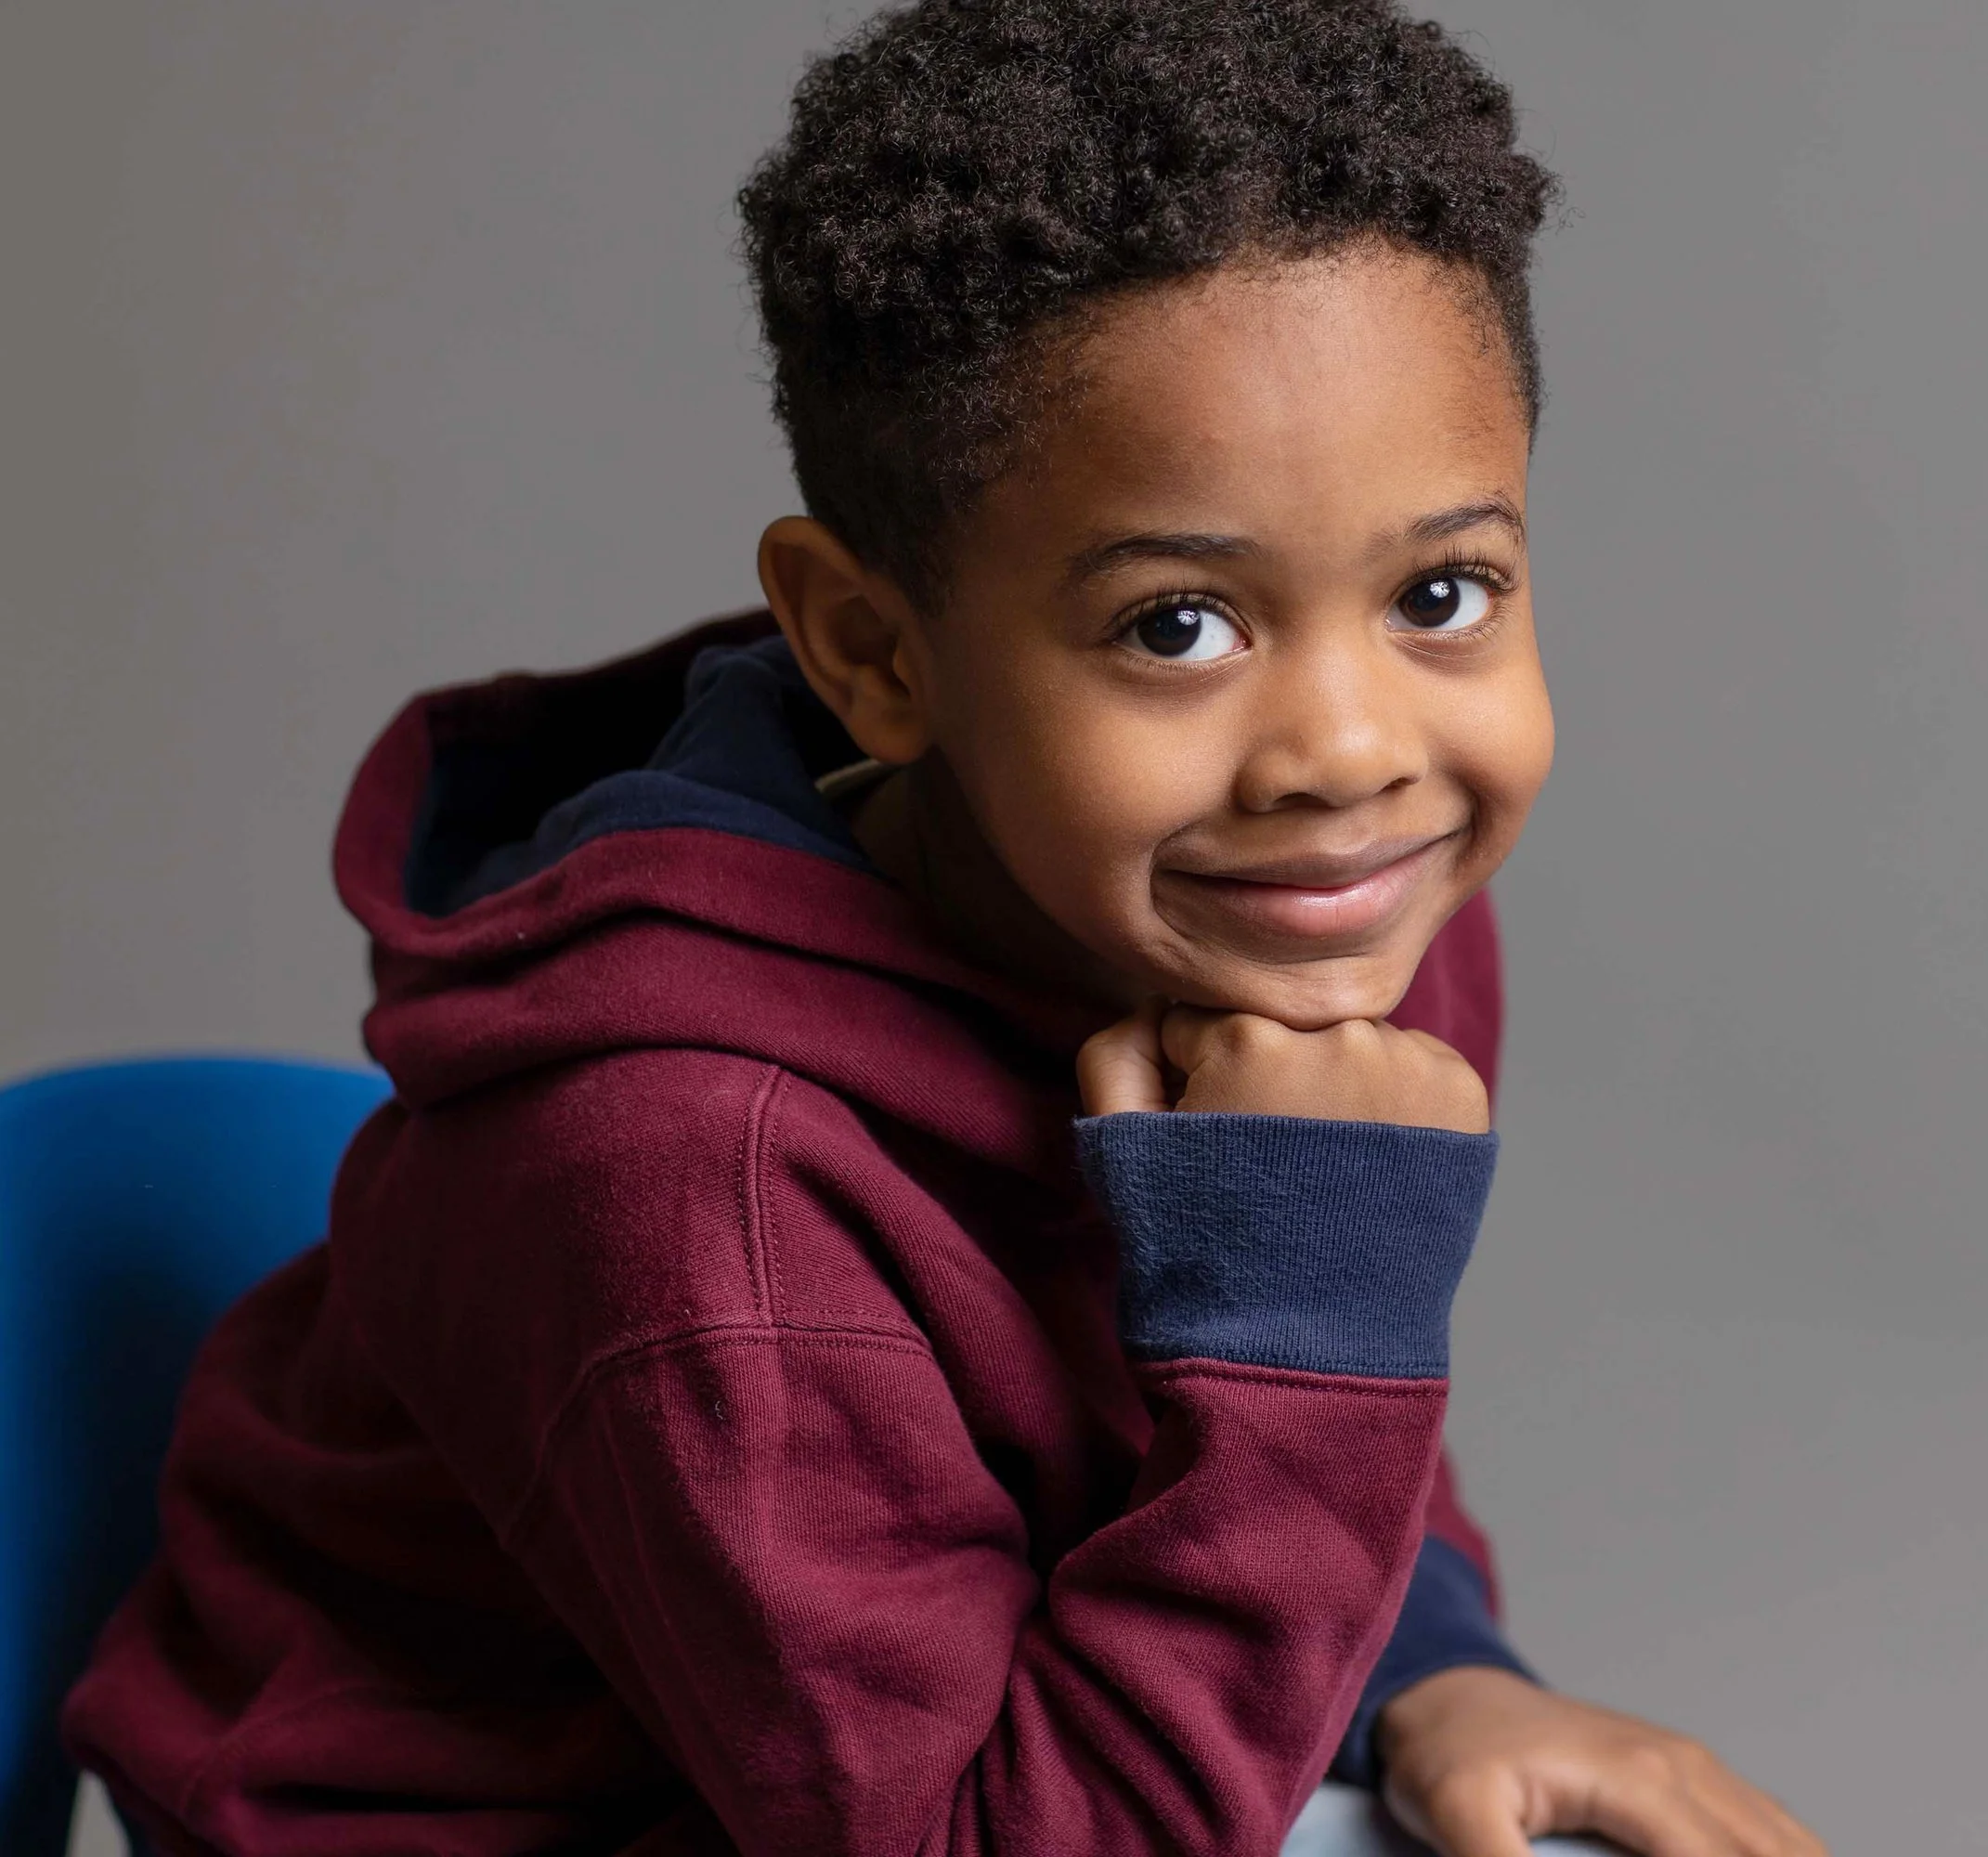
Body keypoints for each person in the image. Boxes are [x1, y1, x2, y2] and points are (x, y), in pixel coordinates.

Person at [63, 4, 1825, 1853]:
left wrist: (1433, 1667)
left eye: (1440, 592)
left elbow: (1272, 1422)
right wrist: (1313, 1310)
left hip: (1006, 1754)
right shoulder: (678, 1171)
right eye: (1175, 627)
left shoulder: (1316, 913)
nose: (1346, 750)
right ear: (873, 654)